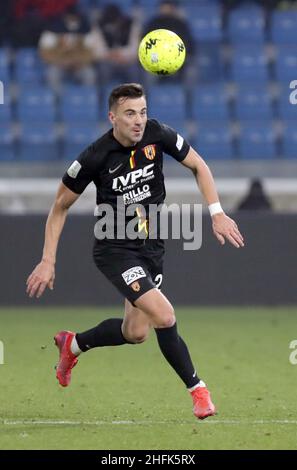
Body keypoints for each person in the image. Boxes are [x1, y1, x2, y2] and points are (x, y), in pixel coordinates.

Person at [26, 83, 244, 420]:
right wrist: (47, 259)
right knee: (165, 315)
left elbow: (199, 165)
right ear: (112, 117)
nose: (139, 120)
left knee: (136, 333)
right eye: (130, 114)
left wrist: (216, 212)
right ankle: (198, 390)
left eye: (142, 112)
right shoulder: (95, 156)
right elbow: (59, 206)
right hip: (115, 249)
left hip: (151, 247)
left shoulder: (158, 134)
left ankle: (72, 344)